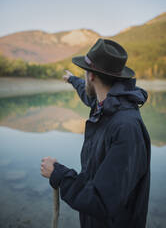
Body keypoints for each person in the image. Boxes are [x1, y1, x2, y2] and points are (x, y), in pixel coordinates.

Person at [41, 38, 151, 228]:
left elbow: (101, 200)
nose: (84, 77)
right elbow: (88, 94)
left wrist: (58, 174)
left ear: (91, 76)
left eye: (84, 72)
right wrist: (72, 80)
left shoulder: (126, 128)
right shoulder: (107, 106)